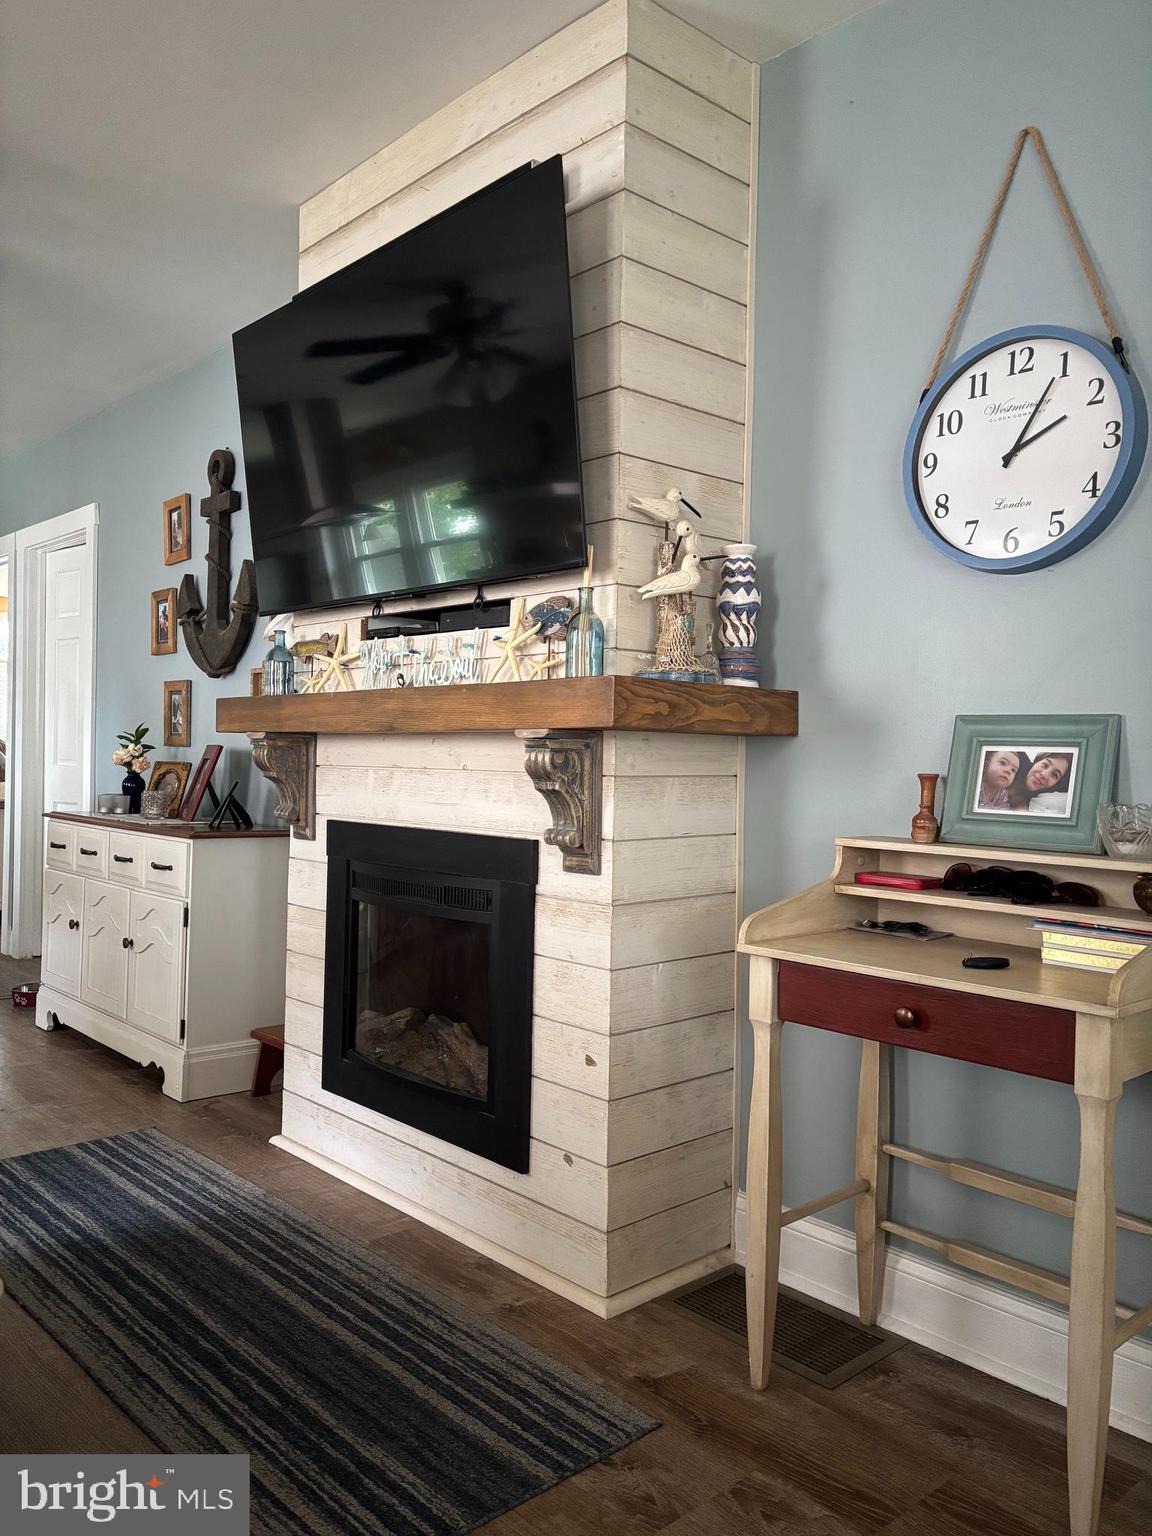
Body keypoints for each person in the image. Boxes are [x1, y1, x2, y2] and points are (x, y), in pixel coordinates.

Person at [1008, 751, 1074, 816]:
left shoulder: (1048, 797)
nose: (1044, 774)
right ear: (1037, 762)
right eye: (1045, 765)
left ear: (1057, 784)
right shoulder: (1017, 759)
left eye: (1055, 775)